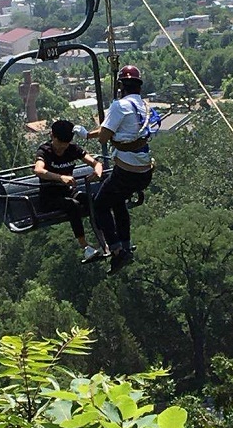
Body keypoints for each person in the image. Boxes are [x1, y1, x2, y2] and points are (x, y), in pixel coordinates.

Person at [90, 65, 158, 275]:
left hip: (127, 172)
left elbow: (104, 137)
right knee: (117, 201)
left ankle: (117, 250)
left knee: (100, 205)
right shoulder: (144, 107)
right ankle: (125, 245)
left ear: (120, 86)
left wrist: (102, 124)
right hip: (143, 172)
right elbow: (127, 132)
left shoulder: (119, 106)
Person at [34, 119, 104, 261]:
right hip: (50, 198)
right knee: (72, 205)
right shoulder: (45, 151)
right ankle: (85, 247)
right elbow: (38, 170)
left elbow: (95, 163)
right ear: (52, 136)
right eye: (59, 145)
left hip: (68, 192)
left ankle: (106, 239)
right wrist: (60, 178)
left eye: (65, 147)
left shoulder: (73, 149)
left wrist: (97, 172)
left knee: (94, 200)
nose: (61, 149)